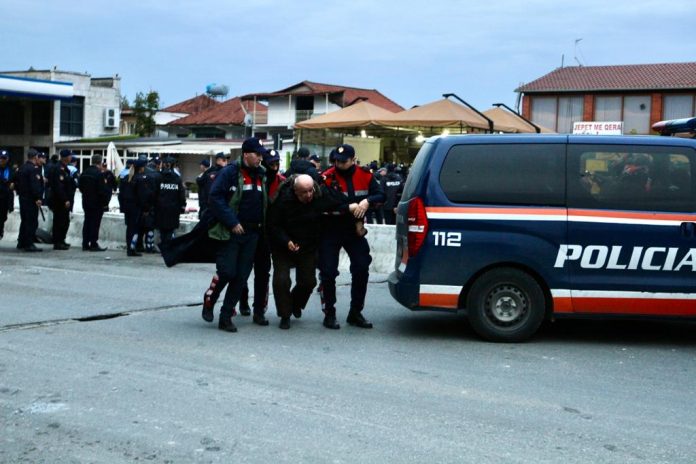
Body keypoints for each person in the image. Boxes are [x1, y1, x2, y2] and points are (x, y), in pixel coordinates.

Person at [201, 137, 268, 333]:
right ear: (246, 154)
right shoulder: (230, 172)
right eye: (257, 155)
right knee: (227, 272)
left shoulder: (261, 174)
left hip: (253, 233)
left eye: (261, 155)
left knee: (241, 277)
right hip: (231, 232)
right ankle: (210, 298)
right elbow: (215, 198)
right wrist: (232, 222)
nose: (260, 159)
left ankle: (226, 316)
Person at [318, 144, 385, 329]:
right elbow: (321, 204)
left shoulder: (365, 175)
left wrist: (367, 201)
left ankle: (355, 312)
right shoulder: (327, 177)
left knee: (361, 267)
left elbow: (381, 195)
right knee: (328, 272)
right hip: (331, 229)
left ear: (353, 160)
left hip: (355, 230)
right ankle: (329, 313)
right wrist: (348, 207)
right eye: (336, 161)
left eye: (343, 161)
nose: (339, 164)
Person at [267, 174, 341, 329]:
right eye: (304, 192)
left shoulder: (318, 196)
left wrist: (354, 206)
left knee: (308, 282)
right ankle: (285, 315)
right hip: (283, 246)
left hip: (307, 246)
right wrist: (286, 241)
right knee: (281, 281)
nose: (308, 195)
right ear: (295, 191)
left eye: (310, 191)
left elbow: (336, 204)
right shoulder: (282, 200)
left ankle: (295, 304)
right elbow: (274, 225)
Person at [237, 149, 285, 321]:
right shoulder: (257, 178)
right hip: (249, 230)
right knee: (242, 270)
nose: (274, 167)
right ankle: (243, 301)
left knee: (263, 272)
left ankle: (259, 310)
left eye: (276, 163)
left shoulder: (282, 182)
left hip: (267, 234)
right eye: (271, 164)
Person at [78, 154, 111, 251]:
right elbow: (102, 190)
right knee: (95, 223)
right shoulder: (99, 174)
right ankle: (93, 243)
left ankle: (85, 243)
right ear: (100, 162)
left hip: (86, 201)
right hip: (97, 202)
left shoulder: (84, 172)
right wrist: (105, 202)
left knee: (87, 221)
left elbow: (80, 186)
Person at [16, 148, 44, 252]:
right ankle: (29, 243)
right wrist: (38, 197)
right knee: (31, 222)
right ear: (35, 157)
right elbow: (34, 185)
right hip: (31, 199)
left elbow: (16, 181)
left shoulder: (22, 168)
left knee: (24, 221)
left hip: (22, 198)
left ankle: (21, 242)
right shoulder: (33, 169)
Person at [155, 157, 186, 249]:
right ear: (173, 165)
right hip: (173, 208)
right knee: (170, 230)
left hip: (160, 208)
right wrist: (183, 205)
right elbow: (181, 194)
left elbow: (154, 193)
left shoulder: (158, 177)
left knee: (162, 230)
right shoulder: (177, 178)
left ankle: (163, 246)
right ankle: (167, 247)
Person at [48, 149, 77, 250]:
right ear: (66, 157)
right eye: (70, 156)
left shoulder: (65, 168)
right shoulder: (58, 168)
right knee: (59, 221)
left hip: (64, 199)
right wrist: (65, 199)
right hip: (59, 200)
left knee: (65, 221)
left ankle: (61, 240)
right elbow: (59, 187)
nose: (71, 158)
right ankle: (57, 242)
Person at [117, 158, 146, 256]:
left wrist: (122, 207)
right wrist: (145, 208)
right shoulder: (140, 179)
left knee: (129, 228)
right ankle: (132, 249)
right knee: (135, 229)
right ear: (141, 168)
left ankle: (129, 247)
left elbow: (120, 194)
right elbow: (142, 195)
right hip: (136, 207)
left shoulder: (126, 178)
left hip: (127, 207)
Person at [196, 152, 227, 219]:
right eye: (224, 160)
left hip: (212, 204)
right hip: (211, 204)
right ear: (218, 161)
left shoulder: (213, 173)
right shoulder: (213, 174)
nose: (226, 162)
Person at [0, 149, 16, 240]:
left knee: (3, 217)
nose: (2, 160)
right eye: (1, 158)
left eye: (4, 158)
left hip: (6, 198)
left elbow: (15, 181)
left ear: (7, 159)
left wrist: (14, 184)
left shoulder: (11, 170)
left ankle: (0, 230)